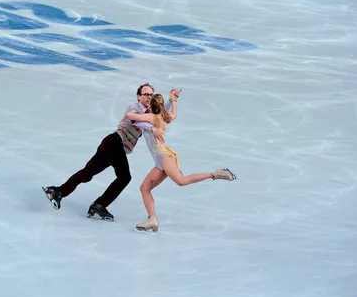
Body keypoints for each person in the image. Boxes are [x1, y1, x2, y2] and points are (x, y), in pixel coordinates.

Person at [42, 83, 178, 221]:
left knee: (88, 173)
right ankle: (99, 204)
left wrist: (171, 99)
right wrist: (151, 129)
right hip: (114, 143)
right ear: (138, 96)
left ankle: (58, 191)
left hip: (111, 145)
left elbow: (161, 115)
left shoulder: (149, 113)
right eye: (145, 94)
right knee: (124, 177)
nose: (148, 97)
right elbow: (130, 119)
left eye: (150, 95)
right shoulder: (135, 108)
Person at [124, 92, 235, 232]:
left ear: (151, 107)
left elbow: (128, 116)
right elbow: (173, 115)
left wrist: (143, 121)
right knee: (144, 188)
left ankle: (217, 174)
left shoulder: (151, 117)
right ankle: (152, 219)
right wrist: (173, 100)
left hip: (164, 157)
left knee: (181, 181)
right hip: (160, 160)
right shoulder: (164, 117)